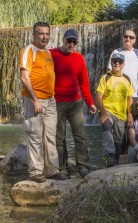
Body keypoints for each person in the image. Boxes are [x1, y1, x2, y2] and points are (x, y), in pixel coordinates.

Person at [19, 21, 66, 183]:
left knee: (50, 136)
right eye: (41, 33)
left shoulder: (47, 53)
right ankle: (36, 172)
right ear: (34, 35)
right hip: (34, 100)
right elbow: (24, 77)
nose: (44, 37)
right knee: (35, 135)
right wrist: (35, 100)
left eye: (47, 34)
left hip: (50, 99)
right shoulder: (28, 50)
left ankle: (52, 170)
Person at [50, 29, 97, 178]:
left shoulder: (79, 58)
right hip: (57, 102)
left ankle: (82, 166)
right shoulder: (51, 54)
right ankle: (62, 167)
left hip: (75, 103)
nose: (71, 44)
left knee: (80, 135)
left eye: (74, 42)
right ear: (63, 40)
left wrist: (90, 103)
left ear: (77, 43)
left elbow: (83, 83)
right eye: (68, 41)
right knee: (59, 137)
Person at [96, 53, 134, 167]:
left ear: (123, 64)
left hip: (121, 114)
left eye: (119, 62)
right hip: (107, 110)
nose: (117, 63)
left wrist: (130, 114)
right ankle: (109, 156)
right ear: (111, 63)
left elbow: (130, 98)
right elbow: (98, 96)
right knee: (107, 126)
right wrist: (103, 113)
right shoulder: (105, 77)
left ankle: (114, 160)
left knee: (118, 139)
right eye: (115, 61)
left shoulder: (127, 79)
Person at [107, 29, 138, 114]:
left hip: (134, 93)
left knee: (131, 121)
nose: (128, 39)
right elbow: (109, 70)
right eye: (126, 36)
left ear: (134, 40)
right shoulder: (116, 52)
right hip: (117, 94)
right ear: (122, 38)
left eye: (131, 37)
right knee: (119, 122)